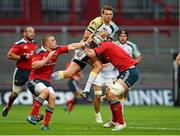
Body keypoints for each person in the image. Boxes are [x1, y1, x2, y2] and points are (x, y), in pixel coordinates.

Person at [51, 5, 118, 102]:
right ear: (102, 14)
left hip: (93, 51)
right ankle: (86, 91)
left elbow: (108, 42)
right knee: (98, 66)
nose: (108, 16)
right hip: (85, 48)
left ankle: (48, 77)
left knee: (68, 73)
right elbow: (86, 37)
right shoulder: (97, 21)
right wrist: (100, 36)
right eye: (106, 14)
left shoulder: (114, 27)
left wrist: (104, 43)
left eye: (110, 14)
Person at [26, 34, 87, 130]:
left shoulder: (56, 50)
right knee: (45, 91)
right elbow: (34, 65)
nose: (55, 41)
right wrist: (47, 58)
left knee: (53, 97)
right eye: (53, 40)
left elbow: (71, 46)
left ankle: (45, 125)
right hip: (34, 80)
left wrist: (84, 43)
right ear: (46, 44)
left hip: (46, 81)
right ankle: (32, 115)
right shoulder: (39, 52)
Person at [84, 40, 139, 131]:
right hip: (124, 72)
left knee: (112, 94)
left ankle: (121, 123)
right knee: (108, 91)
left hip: (129, 72)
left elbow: (91, 53)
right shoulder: (105, 51)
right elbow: (99, 63)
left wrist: (83, 47)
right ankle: (114, 121)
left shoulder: (105, 44)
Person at [92, 30, 142, 123]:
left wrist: (134, 63)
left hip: (123, 71)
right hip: (114, 72)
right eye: (121, 36)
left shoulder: (132, 46)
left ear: (127, 37)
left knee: (119, 93)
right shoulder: (114, 44)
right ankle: (107, 117)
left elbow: (138, 56)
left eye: (124, 36)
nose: (123, 37)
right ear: (118, 37)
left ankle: (119, 117)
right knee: (106, 94)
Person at [2, 26, 38, 117]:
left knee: (36, 93)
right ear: (24, 33)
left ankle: (34, 114)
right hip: (21, 72)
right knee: (15, 93)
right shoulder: (20, 44)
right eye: (30, 31)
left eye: (33, 32)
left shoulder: (35, 45)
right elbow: (9, 55)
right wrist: (21, 57)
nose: (32, 33)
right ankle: (8, 107)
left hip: (32, 72)